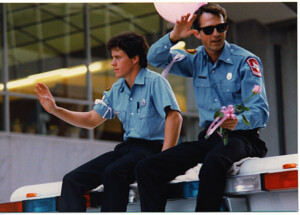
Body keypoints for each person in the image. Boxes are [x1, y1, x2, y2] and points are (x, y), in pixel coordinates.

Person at [135, 3, 269, 212]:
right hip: (210, 137)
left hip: (244, 137)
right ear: (197, 34)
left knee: (213, 162)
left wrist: (237, 122)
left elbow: (260, 111)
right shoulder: (194, 59)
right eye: (208, 30)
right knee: (147, 167)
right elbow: (154, 58)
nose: (215, 34)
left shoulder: (245, 60)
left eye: (220, 27)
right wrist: (174, 36)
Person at [34, 31, 182, 212]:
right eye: (113, 58)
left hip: (151, 149)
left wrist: (163, 158)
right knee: (72, 180)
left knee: (114, 172)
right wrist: (55, 110)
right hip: (127, 149)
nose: (113, 63)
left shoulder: (155, 81)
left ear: (135, 58)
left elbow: (174, 117)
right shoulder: (117, 88)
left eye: (118, 57)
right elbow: (91, 120)